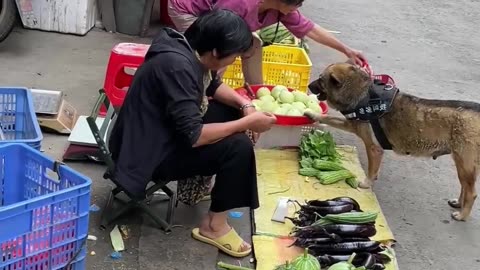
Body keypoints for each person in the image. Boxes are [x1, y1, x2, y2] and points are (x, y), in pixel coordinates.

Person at [108, 9, 277, 258]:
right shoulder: (177, 68)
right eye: (233, 57)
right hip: (146, 155)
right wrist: (247, 123)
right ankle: (214, 227)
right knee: (238, 146)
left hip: (152, 134)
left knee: (230, 112)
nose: (233, 62)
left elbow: (213, 85)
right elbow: (195, 136)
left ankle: (197, 190)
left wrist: (245, 107)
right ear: (216, 52)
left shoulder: (184, 48)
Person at [168, 0, 367, 85]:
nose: (298, 8)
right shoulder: (240, 4)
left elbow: (311, 29)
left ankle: (256, 92)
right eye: (297, 4)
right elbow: (217, 33)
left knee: (252, 46)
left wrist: (346, 50)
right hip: (190, 11)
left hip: (221, 19)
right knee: (211, 56)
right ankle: (202, 92)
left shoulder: (280, 10)